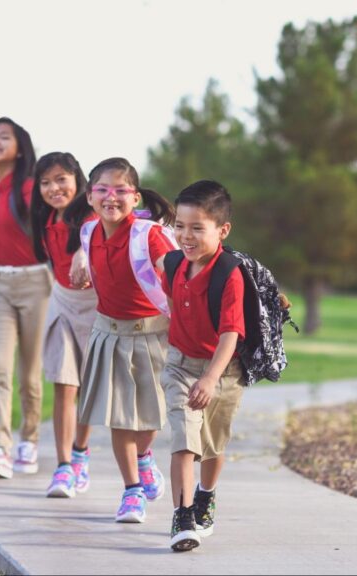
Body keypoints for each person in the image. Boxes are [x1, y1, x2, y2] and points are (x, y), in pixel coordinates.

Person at [64, 157, 176, 523]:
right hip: (108, 333)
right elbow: (86, 246)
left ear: (136, 197)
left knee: (152, 416)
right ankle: (131, 492)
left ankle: (144, 458)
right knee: (119, 417)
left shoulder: (149, 235)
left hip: (153, 334)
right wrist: (81, 257)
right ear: (90, 196)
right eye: (102, 190)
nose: (111, 197)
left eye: (121, 190)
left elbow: (171, 268)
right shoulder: (89, 231)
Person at [160, 180, 246, 552]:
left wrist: (211, 378)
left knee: (212, 444)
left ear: (222, 230)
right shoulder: (174, 263)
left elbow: (230, 332)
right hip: (179, 365)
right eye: (179, 226)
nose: (185, 236)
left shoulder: (229, 274)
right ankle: (182, 515)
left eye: (197, 227)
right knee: (184, 439)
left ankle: (206, 494)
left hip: (222, 371)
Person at [0, 117, 50, 480]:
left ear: (21, 149)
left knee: (30, 374)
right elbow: (3, 229)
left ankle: (28, 442)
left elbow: (53, 225)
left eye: (4, 137)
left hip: (37, 284)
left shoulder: (32, 186)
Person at [29, 152, 96, 498]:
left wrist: (84, 252)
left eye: (61, 179)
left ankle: (81, 453)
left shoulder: (92, 215)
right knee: (63, 383)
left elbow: (93, 236)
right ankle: (63, 466)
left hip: (96, 308)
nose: (54, 188)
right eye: (45, 182)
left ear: (77, 180)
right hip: (62, 304)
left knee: (87, 387)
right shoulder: (43, 219)